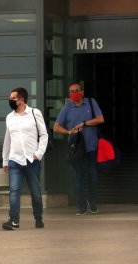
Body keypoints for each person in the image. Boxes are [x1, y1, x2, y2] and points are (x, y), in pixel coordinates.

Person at [53, 82, 104, 215]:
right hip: (76, 149)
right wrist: (69, 132)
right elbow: (56, 126)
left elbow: (100, 119)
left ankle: (92, 202)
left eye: (76, 91)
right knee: (78, 177)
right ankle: (82, 205)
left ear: (82, 92)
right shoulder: (67, 108)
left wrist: (85, 123)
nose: (74, 94)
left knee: (93, 176)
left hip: (91, 147)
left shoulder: (91, 103)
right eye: (71, 91)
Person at [1, 87, 48, 230]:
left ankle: (38, 217)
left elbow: (44, 135)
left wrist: (39, 153)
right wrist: (5, 160)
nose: (10, 101)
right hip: (15, 159)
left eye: (12, 98)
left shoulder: (35, 113)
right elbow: (7, 139)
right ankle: (14, 220)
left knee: (35, 192)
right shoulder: (10, 117)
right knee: (14, 190)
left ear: (21, 100)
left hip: (31, 160)